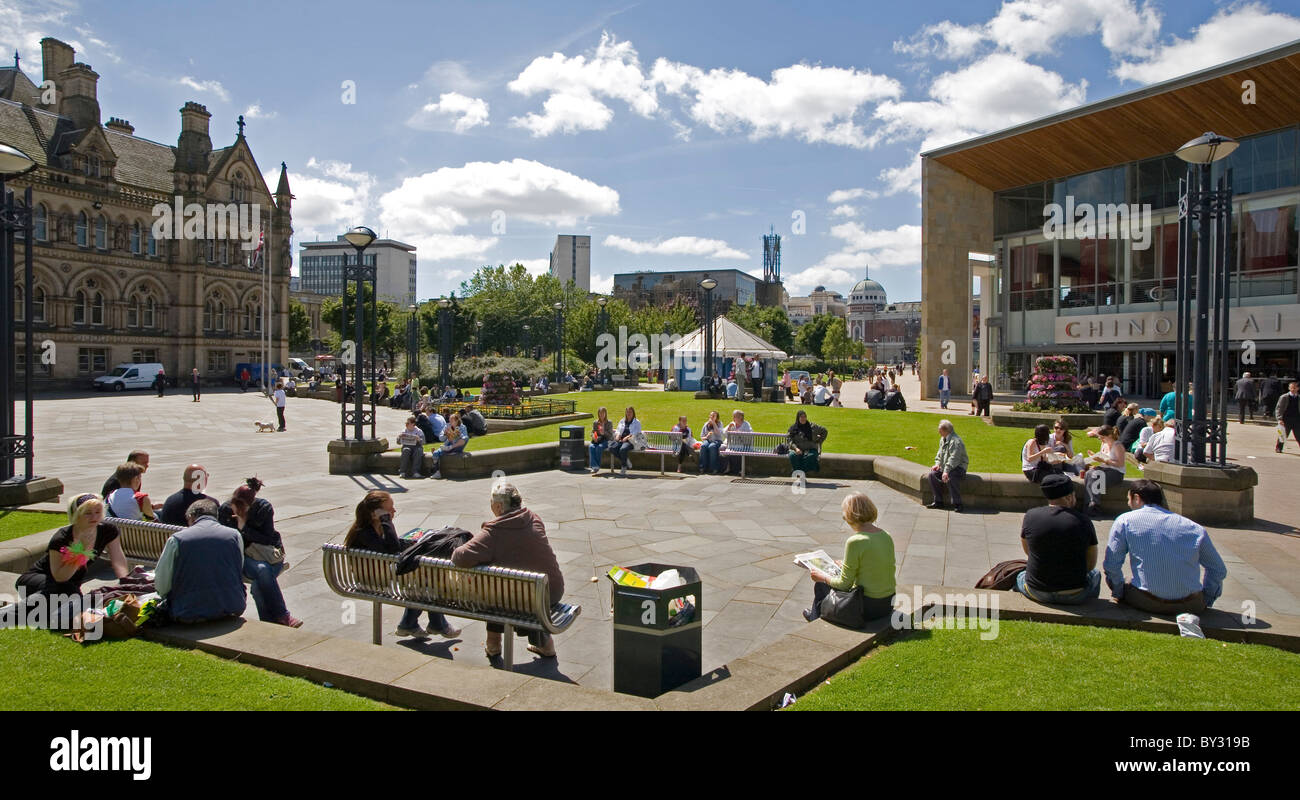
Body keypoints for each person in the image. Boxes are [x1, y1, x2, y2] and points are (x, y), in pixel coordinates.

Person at [451, 481, 565, 660]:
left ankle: (493, 643)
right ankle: (545, 644)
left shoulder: (493, 531)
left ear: (497, 506)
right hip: (552, 591)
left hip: (522, 599)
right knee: (513, 586)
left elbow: (459, 557)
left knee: (496, 589)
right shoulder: (534, 518)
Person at [344, 491, 461, 639]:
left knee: (425, 581)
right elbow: (393, 548)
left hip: (380, 573)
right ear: (375, 514)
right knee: (427, 583)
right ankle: (435, 624)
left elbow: (393, 546)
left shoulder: (371, 529)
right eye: (389, 509)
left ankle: (412, 624)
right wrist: (386, 520)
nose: (394, 511)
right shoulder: (364, 532)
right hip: (374, 580)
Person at [1103, 480, 1227, 615]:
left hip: (1146, 600)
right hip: (1190, 603)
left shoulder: (1125, 521)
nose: (1128, 503)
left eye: (1128, 499)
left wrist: (1118, 592)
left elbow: (1112, 565)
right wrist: (1206, 599)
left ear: (1137, 498)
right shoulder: (1194, 528)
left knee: (1123, 580)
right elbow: (1218, 569)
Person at [16, 495, 129, 616]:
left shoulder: (108, 531)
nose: (94, 517)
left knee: (72, 598)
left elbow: (118, 559)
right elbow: (60, 577)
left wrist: (126, 582)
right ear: (76, 515)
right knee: (65, 593)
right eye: (88, 513)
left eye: (98, 512)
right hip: (42, 578)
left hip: (69, 585)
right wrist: (81, 550)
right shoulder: (62, 538)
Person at [802, 493, 895, 623]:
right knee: (829, 580)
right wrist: (844, 565)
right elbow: (873, 565)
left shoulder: (855, 541)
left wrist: (822, 577)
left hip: (867, 607)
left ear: (849, 516)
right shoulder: (886, 535)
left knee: (821, 585)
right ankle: (816, 613)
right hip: (888, 603)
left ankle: (814, 618)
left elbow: (844, 585)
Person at [220, 477, 301, 627]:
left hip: (270, 555)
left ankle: (270, 623)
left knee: (260, 582)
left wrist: (244, 527)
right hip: (243, 557)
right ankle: (281, 616)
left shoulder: (264, 508)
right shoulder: (225, 510)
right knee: (262, 572)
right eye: (234, 503)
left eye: (240, 506)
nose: (235, 508)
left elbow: (267, 539)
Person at [154, 498, 246, 623]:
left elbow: (162, 584)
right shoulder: (235, 535)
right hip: (232, 605)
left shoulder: (177, 539)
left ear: (191, 517)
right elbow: (238, 569)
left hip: (188, 611)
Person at [1015, 474, 1100, 605]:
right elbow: (1090, 564)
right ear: (1069, 496)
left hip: (1037, 591)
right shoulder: (1083, 521)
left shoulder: (1031, 515)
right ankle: (1091, 607)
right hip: (1074, 593)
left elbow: (1028, 551)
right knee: (1095, 574)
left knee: (1020, 575)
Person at [1081, 425, 1125, 517]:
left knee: (1096, 475)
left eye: (1102, 438)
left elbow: (1120, 464)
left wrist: (1103, 460)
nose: (1101, 440)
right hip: (1105, 469)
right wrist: (1095, 458)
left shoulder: (1118, 446)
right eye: (1099, 438)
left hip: (1116, 472)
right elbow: (1102, 458)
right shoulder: (1104, 444)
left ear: (1109, 436)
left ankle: (1094, 504)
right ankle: (1089, 503)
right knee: (1089, 473)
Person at [927, 420, 968, 512]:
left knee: (951, 477)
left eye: (940, 430)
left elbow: (954, 459)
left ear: (946, 430)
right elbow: (939, 454)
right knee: (932, 475)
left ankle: (958, 503)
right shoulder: (943, 439)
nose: (938, 432)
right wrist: (937, 464)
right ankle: (938, 501)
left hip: (958, 467)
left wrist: (946, 471)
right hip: (946, 466)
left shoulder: (956, 441)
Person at [430, 411, 468, 479]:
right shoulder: (447, 426)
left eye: (452, 420)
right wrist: (445, 434)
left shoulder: (462, 427)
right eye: (449, 420)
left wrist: (459, 434)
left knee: (465, 439)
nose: (450, 422)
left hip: (456, 446)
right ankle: (437, 472)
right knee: (436, 453)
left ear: (456, 421)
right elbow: (441, 438)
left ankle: (449, 448)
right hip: (448, 444)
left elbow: (465, 437)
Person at [787, 410, 827, 475]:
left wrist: (819, 441)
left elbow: (824, 431)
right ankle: (800, 473)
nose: (803, 418)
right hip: (798, 449)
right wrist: (796, 448)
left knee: (810, 456)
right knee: (792, 455)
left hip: (810, 449)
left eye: (805, 417)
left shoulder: (812, 426)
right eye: (801, 417)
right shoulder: (793, 428)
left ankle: (799, 472)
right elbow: (789, 440)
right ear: (798, 418)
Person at [611, 406, 642, 477]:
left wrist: (627, 437)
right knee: (611, 447)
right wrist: (618, 435)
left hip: (631, 441)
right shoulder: (622, 421)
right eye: (627, 412)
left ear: (633, 413)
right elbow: (618, 430)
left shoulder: (637, 422)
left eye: (630, 412)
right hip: (621, 440)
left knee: (622, 449)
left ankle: (623, 467)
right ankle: (626, 460)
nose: (628, 413)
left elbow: (637, 433)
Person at [722, 408, 753, 475]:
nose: (733, 418)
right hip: (732, 444)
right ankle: (727, 468)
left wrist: (739, 433)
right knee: (722, 448)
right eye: (733, 416)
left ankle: (739, 470)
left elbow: (749, 436)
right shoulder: (732, 423)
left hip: (743, 445)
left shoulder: (746, 424)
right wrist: (729, 428)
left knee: (737, 451)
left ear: (740, 417)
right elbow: (724, 433)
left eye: (735, 416)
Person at [589, 406, 615, 475]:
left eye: (603, 413)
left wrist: (604, 432)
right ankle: (595, 466)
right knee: (591, 447)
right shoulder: (595, 422)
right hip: (597, 440)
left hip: (607, 440)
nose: (601, 415)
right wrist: (593, 436)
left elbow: (611, 436)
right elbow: (593, 432)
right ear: (598, 414)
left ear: (605, 414)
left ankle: (596, 467)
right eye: (600, 413)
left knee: (599, 447)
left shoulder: (609, 422)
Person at [1276, 381, 1300, 453]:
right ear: (1289, 388)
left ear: (1298, 388)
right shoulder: (1284, 397)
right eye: (1291, 388)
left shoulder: (1298, 398)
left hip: (1297, 419)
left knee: (1298, 435)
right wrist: (1279, 418)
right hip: (1286, 419)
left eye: (1294, 388)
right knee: (1283, 435)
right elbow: (1279, 408)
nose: (1293, 389)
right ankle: (1279, 448)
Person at [699, 410, 725, 475]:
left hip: (717, 440)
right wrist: (706, 437)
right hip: (708, 440)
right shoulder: (706, 424)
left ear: (717, 418)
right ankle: (702, 467)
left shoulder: (719, 424)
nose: (711, 417)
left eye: (713, 416)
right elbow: (702, 437)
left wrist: (713, 423)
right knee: (703, 446)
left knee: (712, 447)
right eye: (711, 415)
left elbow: (719, 434)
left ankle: (714, 468)